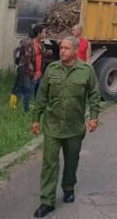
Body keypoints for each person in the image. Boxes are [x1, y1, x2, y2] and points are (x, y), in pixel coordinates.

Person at [31, 34, 101, 216]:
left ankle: (68, 188)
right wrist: (35, 119)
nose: (62, 51)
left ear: (76, 50)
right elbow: (42, 96)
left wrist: (94, 117)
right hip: (52, 126)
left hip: (74, 128)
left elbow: (94, 94)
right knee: (49, 164)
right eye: (61, 48)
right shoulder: (52, 69)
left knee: (71, 162)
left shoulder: (86, 71)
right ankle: (47, 200)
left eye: (66, 48)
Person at [12, 25, 46, 113]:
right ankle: (23, 110)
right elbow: (27, 61)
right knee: (26, 91)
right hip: (28, 72)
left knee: (35, 92)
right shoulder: (28, 44)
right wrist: (32, 74)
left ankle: (31, 109)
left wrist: (40, 72)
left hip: (38, 73)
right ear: (39, 33)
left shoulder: (41, 44)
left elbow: (40, 58)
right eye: (43, 32)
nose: (45, 34)